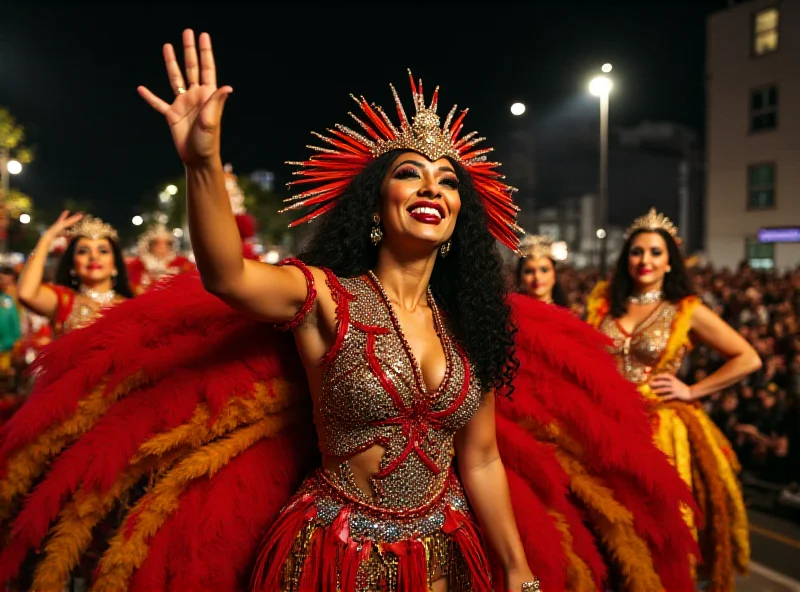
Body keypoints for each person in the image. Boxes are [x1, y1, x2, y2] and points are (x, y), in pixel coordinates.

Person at [0, 32, 698, 592]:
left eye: (448, 182)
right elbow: (227, 275)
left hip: (449, 556)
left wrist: (516, 568)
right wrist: (204, 162)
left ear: (460, 216)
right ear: (376, 204)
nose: (431, 187)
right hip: (330, 556)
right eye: (409, 174)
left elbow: (479, 458)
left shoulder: (471, 328)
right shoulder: (325, 295)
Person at [587, 209, 762, 592]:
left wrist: (692, 390)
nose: (645, 260)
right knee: (604, 533)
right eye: (637, 252)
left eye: (654, 252)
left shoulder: (686, 309)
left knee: (658, 533)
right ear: (626, 257)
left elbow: (748, 357)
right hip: (605, 428)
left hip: (659, 430)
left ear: (670, 262)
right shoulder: (603, 305)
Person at [16, 212, 133, 337]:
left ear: (115, 265)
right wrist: (47, 238)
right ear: (72, 266)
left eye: (103, 251)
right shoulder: (65, 301)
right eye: (83, 251)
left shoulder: (131, 308)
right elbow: (26, 294)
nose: (94, 257)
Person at [126, 223, 194, 295]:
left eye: (166, 243)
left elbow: (191, 280)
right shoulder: (139, 264)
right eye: (157, 243)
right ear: (150, 245)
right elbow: (132, 284)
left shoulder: (181, 262)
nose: (162, 246)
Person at [516, 236, 568, 307]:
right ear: (520, 275)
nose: (537, 277)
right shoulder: (508, 314)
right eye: (529, 271)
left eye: (544, 270)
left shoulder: (570, 315)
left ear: (554, 273)